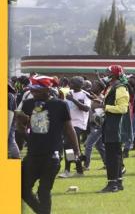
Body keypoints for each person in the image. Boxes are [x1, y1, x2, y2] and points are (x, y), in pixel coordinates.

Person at [19, 75, 80, 214]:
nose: (33, 92)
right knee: (22, 189)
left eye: (37, 90)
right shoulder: (28, 104)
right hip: (32, 155)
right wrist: (21, 126)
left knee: (43, 191)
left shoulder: (60, 105)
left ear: (47, 89)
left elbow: (69, 129)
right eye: (32, 89)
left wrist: (77, 151)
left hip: (52, 156)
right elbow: (21, 127)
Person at [99, 65, 130, 193]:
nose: (105, 74)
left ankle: (113, 184)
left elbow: (123, 109)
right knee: (115, 155)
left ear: (114, 74)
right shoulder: (112, 87)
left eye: (108, 72)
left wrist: (105, 107)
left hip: (115, 126)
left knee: (112, 156)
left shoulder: (121, 88)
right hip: (110, 125)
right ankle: (118, 182)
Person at [58, 76, 91, 178]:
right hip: (68, 122)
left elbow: (86, 108)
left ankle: (69, 170)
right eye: (70, 83)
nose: (70, 85)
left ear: (80, 84)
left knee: (70, 144)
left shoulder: (85, 94)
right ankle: (78, 170)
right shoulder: (68, 92)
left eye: (73, 83)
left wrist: (73, 100)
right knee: (68, 146)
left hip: (79, 123)